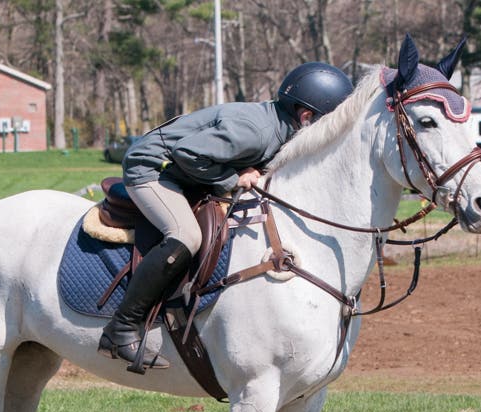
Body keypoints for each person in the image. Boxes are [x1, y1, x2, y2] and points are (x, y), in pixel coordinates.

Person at [98, 62, 354, 370]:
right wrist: (233, 179)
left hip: (185, 171)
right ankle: (121, 328)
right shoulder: (255, 132)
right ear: (306, 117)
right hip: (152, 169)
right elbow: (187, 154)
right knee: (186, 236)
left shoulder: (280, 127)